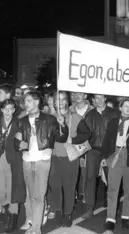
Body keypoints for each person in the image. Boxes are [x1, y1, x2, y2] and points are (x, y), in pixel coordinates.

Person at [14, 91, 68, 234]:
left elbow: (61, 139)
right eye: (25, 101)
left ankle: (36, 228)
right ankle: (31, 220)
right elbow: (16, 141)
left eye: (29, 101)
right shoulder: (22, 121)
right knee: (31, 195)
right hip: (26, 161)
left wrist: (63, 125)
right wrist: (19, 145)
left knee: (38, 196)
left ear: (37, 102)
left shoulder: (50, 119)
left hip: (42, 161)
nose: (26, 104)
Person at [101, 98, 129, 231]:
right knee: (112, 189)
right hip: (115, 155)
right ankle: (110, 218)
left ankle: (125, 216)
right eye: (125, 106)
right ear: (120, 108)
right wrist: (104, 156)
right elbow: (107, 139)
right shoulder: (113, 122)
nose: (127, 108)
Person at [49, 91, 91, 227]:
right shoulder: (49, 117)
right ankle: (58, 210)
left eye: (62, 99)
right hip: (53, 157)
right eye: (57, 99)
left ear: (67, 101)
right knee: (55, 186)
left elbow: (86, 134)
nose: (60, 102)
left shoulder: (75, 117)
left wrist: (72, 139)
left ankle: (67, 213)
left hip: (70, 157)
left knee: (69, 187)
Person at [0, 99, 25, 233]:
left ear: (14, 110)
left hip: (14, 159)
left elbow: (24, 138)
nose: (7, 111)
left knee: (13, 190)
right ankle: (5, 207)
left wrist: (23, 144)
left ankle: (13, 217)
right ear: (1, 109)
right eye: (5, 108)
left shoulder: (19, 123)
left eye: (10, 108)